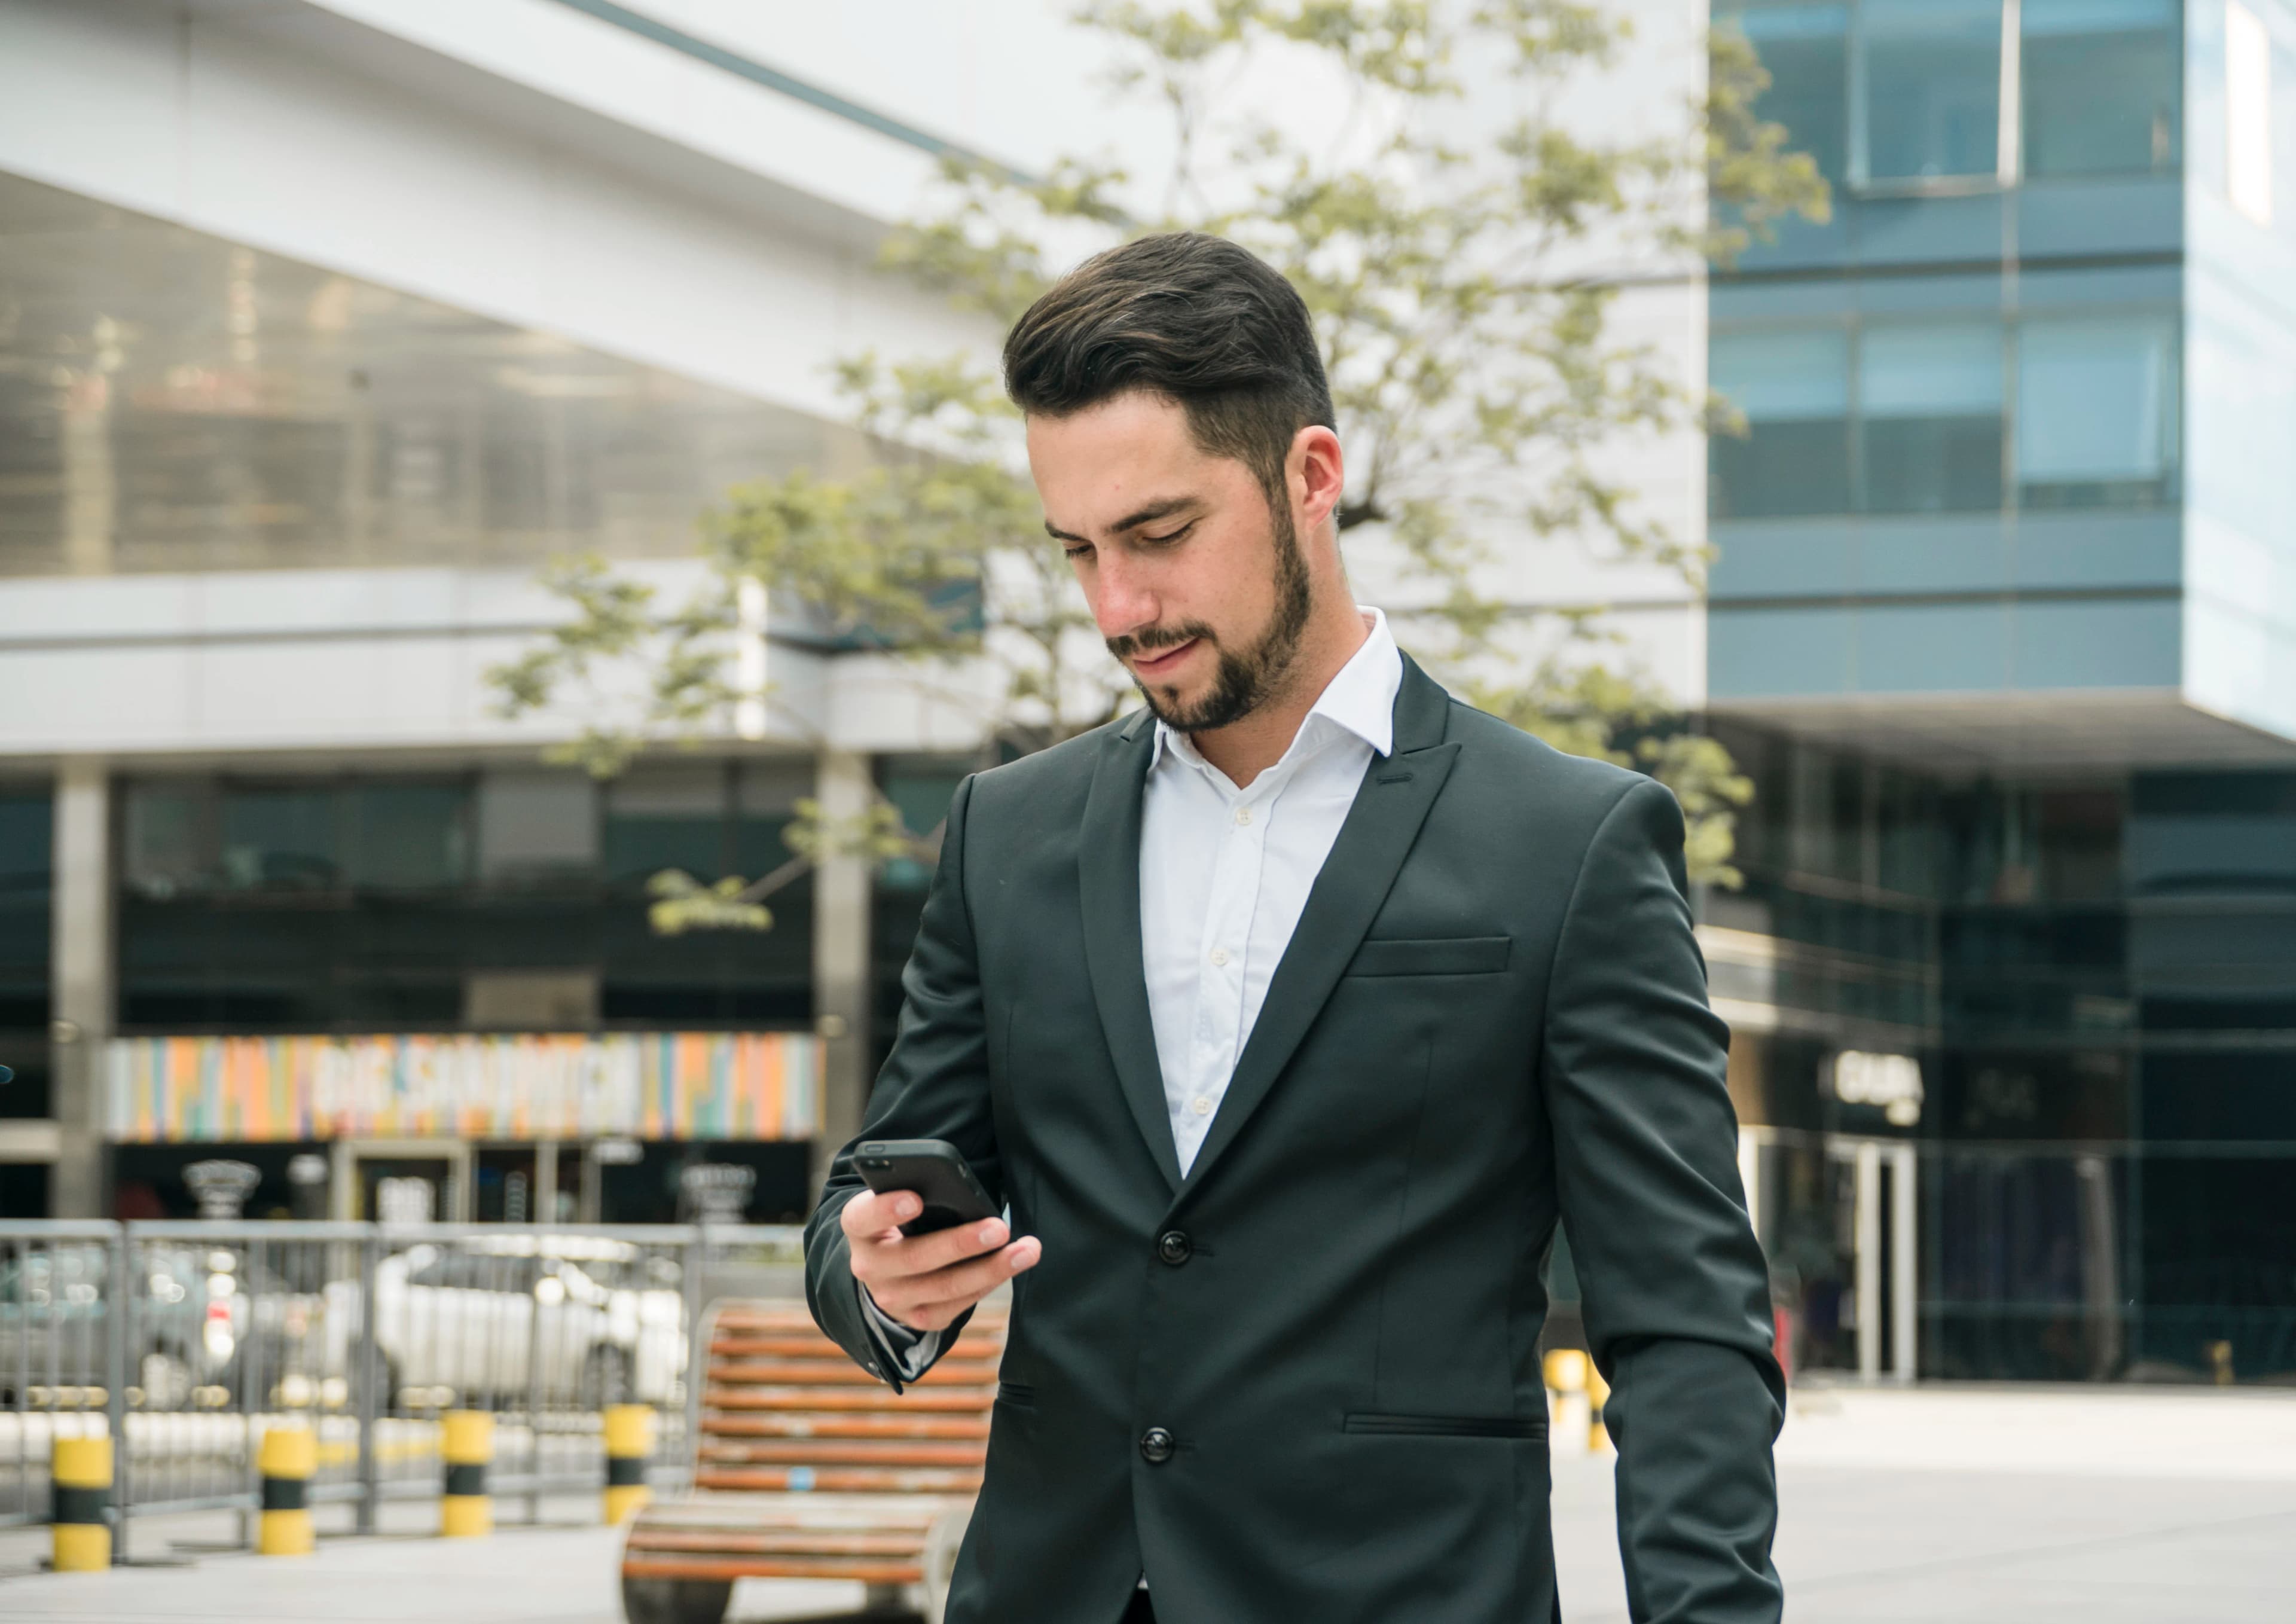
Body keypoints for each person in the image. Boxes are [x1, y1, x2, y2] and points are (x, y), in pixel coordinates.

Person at [803, 231, 1783, 1623]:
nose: (1117, 607)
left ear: (1308, 476)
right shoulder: (1005, 834)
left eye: (1159, 534)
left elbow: (1685, 1322)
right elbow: (872, 1201)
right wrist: (887, 1272)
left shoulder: (1570, 843)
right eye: (1077, 549)